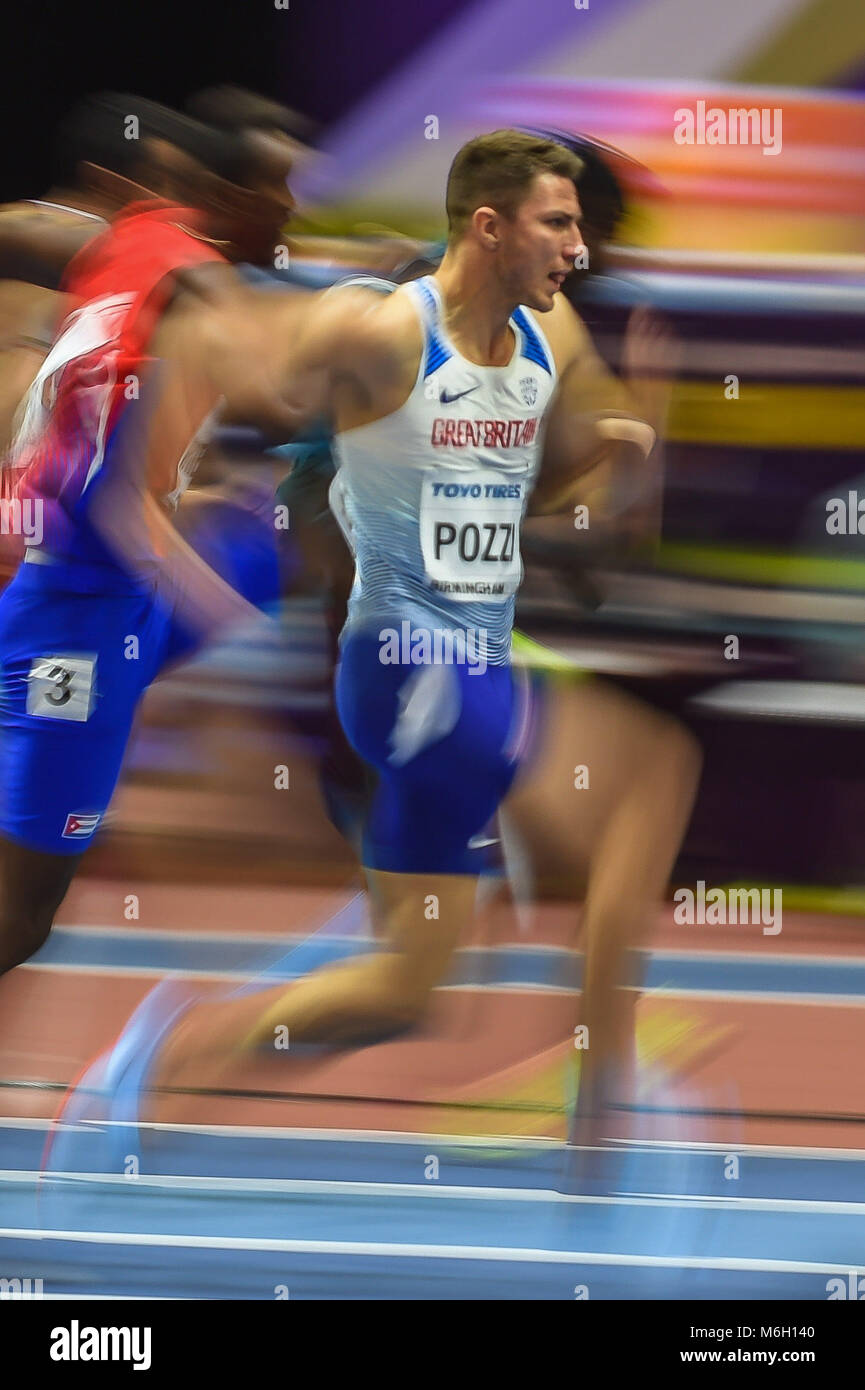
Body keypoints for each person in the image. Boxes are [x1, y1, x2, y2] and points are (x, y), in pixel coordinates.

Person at [140, 130, 673, 1138]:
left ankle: (170, 1057)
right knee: (651, 770)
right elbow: (254, 369)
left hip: (453, 669)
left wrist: (617, 456)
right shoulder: (385, 327)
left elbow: (576, 531)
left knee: (404, 986)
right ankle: (602, 1109)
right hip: (403, 669)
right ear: (491, 226)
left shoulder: (546, 342)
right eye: (564, 227)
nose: (583, 253)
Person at [0, 92, 300, 978]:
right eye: (276, 185)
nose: (290, 206)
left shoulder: (109, 250)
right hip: (76, 627)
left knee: (275, 522)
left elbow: (34, 224)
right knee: (19, 915)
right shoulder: (192, 272)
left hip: (54, 588)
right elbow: (116, 499)